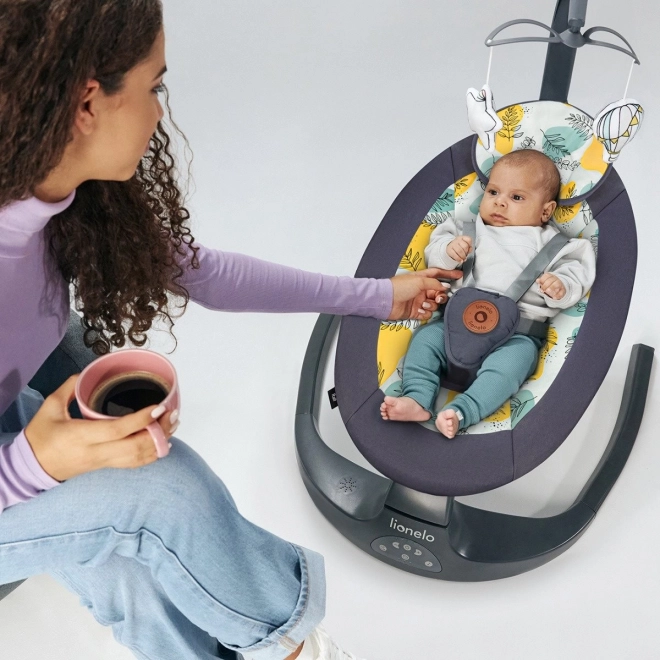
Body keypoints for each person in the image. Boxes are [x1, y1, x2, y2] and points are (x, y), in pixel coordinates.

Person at [0, 2, 461, 659]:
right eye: (155, 87)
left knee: (126, 544)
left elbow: (206, 274)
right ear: (86, 104)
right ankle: (293, 650)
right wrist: (33, 466)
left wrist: (378, 298)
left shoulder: (53, 187)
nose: (160, 113)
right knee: (164, 495)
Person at [380, 149, 596, 438]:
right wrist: (449, 252)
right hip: (451, 327)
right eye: (493, 192)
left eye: (516, 197)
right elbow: (435, 257)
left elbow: (576, 276)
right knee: (425, 340)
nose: (500, 202)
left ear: (546, 211)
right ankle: (417, 398)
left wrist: (560, 286)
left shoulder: (556, 245)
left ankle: (462, 411)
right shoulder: (466, 230)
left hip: (515, 336)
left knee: (513, 364)